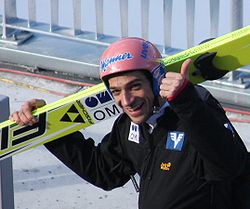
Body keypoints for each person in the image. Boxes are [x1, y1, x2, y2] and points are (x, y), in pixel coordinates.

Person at [10, 37, 248, 209]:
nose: (127, 101)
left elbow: (228, 165)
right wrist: (49, 128)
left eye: (135, 87)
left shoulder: (197, 111)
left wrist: (186, 101)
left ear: (156, 81)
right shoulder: (131, 125)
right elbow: (104, 171)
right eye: (116, 91)